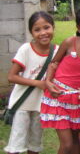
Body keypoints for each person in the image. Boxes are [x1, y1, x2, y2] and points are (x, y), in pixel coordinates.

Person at [40, 5, 80, 154]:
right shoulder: (70, 42)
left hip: (77, 99)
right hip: (58, 97)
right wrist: (49, 82)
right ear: (79, 28)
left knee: (76, 141)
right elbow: (54, 63)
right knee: (67, 143)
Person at [4, 11, 59, 154]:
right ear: (31, 32)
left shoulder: (57, 51)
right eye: (37, 29)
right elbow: (12, 76)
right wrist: (38, 84)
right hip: (22, 103)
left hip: (41, 105)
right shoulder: (26, 49)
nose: (43, 33)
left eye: (46, 27)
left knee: (35, 143)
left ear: (53, 27)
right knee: (16, 144)